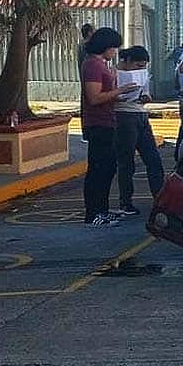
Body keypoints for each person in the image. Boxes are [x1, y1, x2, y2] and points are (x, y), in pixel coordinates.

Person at [81, 27, 138, 228]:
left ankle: (102, 209)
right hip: (98, 123)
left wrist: (121, 95)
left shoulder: (102, 65)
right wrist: (120, 90)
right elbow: (94, 97)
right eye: (113, 48)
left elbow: (105, 95)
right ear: (105, 46)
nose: (115, 52)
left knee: (108, 168)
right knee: (98, 169)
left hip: (108, 119)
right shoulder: (93, 66)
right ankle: (93, 212)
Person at [115, 46, 165, 217]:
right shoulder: (113, 74)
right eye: (138, 66)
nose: (140, 69)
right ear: (126, 61)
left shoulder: (142, 75)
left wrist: (145, 96)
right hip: (123, 115)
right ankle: (125, 202)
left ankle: (159, 197)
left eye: (143, 66)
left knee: (154, 159)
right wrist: (122, 92)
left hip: (141, 114)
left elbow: (147, 94)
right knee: (126, 161)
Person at [77, 23, 95, 143]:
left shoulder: (81, 45)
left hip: (84, 78)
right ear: (89, 33)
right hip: (89, 78)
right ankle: (88, 132)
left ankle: (86, 132)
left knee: (85, 105)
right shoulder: (88, 45)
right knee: (89, 106)